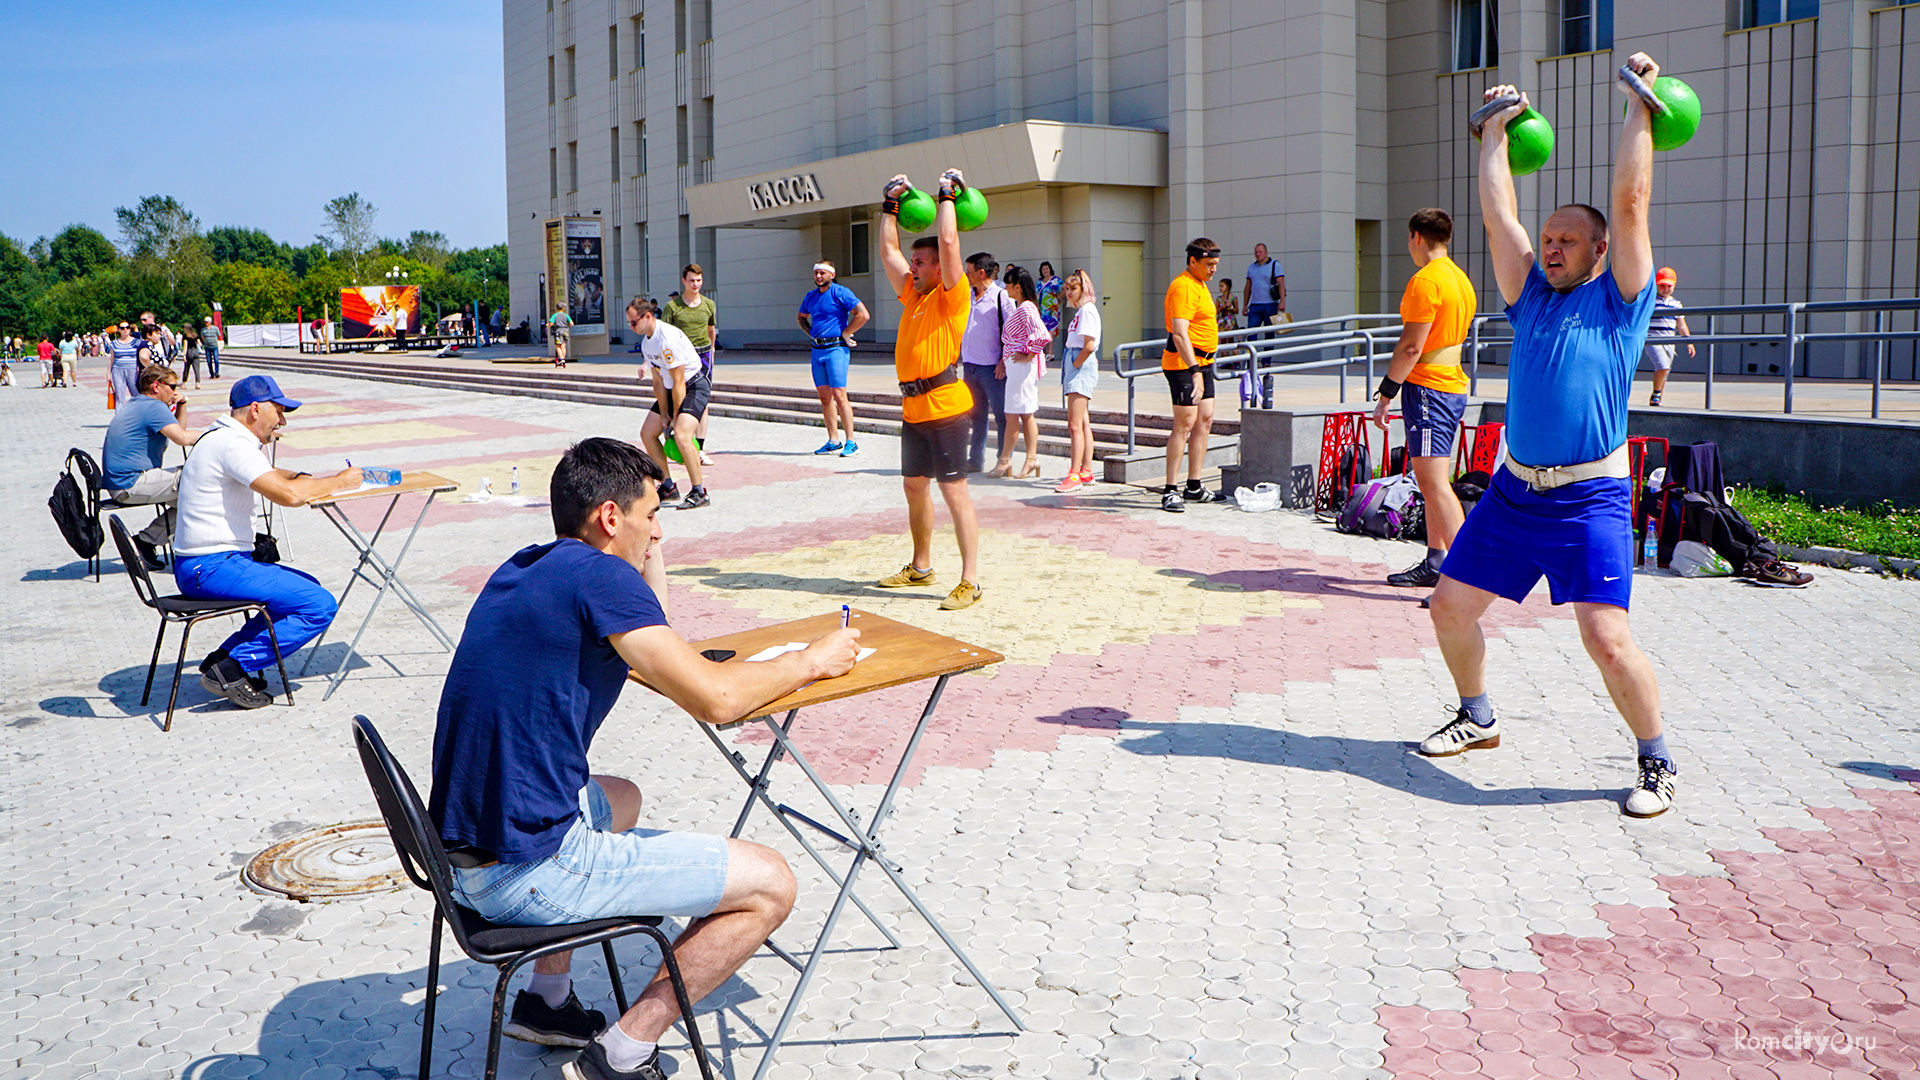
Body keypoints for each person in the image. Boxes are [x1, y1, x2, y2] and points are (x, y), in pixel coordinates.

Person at [428, 437, 858, 1080]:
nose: (658, 529)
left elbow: (651, 628)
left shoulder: (530, 565)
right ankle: (623, 1052)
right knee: (771, 882)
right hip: (530, 869)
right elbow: (715, 698)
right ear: (609, 516)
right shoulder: (599, 579)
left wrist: (647, 549)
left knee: (620, 796)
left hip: (459, 854)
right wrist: (811, 661)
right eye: (652, 514)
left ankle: (548, 1004)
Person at [1419, 56, 1681, 818]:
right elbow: (1501, 218)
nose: (1555, 245)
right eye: (1552, 236)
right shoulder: (1530, 299)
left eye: (1571, 238)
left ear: (1600, 254)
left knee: (1606, 639)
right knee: (1448, 608)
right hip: (1511, 494)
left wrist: (1642, 109)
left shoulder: (1622, 301)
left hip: (1590, 499)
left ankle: (1656, 759)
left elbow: (1630, 204)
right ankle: (1478, 716)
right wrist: (1491, 137)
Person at [172, 375, 359, 709]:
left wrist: (303, 478)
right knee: (318, 604)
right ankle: (232, 667)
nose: (283, 421)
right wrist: (340, 482)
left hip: (203, 563)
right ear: (256, 409)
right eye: (279, 411)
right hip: (212, 566)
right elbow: (288, 496)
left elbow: (268, 472)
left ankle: (225, 657)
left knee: (305, 588)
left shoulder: (219, 436)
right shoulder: (233, 444)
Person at [875, 168, 985, 611]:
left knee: (954, 491)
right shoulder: (914, 297)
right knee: (914, 487)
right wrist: (890, 205)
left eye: (920, 263)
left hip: (947, 408)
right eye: (914, 263)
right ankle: (921, 568)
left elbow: (951, 244)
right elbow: (887, 250)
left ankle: (970, 581)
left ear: (940, 268)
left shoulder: (950, 296)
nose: (912, 268)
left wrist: (944, 197)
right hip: (914, 409)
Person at [1372, 207, 1477, 591]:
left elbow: (1411, 347)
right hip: (1449, 385)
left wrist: (1386, 392)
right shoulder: (1459, 278)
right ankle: (1436, 561)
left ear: (1416, 236)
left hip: (1430, 388)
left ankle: (1469, 577)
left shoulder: (1426, 281)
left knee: (1433, 484)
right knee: (1433, 481)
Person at [102, 365, 202, 569]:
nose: (176, 392)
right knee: (200, 477)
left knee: (198, 499)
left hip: (122, 483)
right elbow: (182, 438)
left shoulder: (140, 403)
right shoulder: (153, 407)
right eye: (173, 386)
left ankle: (145, 543)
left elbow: (178, 430)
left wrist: (182, 404)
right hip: (131, 483)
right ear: (157, 386)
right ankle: (146, 541)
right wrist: (218, 434)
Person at [628, 299, 710, 509]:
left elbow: (680, 381)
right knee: (647, 433)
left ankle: (699, 492)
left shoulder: (668, 338)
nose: (631, 327)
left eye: (633, 322)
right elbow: (657, 381)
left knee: (682, 436)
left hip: (693, 386)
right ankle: (667, 486)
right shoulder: (647, 342)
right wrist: (664, 413)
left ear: (648, 316)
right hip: (671, 387)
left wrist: (675, 416)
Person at [1160, 239, 1224, 512]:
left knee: (1205, 419)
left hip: (1204, 362)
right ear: (1193, 261)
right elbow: (1179, 333)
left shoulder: (1200, 284)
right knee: (1184, 423)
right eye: (1209, 264)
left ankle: (1194, 485)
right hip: (1183, 363)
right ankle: (1170, 489)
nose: (1213, 270)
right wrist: (1194, 371)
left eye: (1215, 265)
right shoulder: (1183, 286)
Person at [796, 260, 870, 456]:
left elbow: (862, 314)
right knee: (824, 397)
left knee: (839, 395)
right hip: (817, 350)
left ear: (832, 274)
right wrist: (811, 333)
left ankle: (851, 442)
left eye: (822, 273)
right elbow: (801, 317)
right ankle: (833, 440)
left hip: (836, 349)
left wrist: (847, 332)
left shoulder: (841, 292)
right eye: (816, 273)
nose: (819, 276)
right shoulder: (811, 297)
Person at [992, 264, 1050, 479]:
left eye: (1008, 285)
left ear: (1017, 287)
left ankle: (1010, 459)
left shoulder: (1026, 308)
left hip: (1021, 367)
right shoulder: (1024, 307)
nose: (1006, 289)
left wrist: (1029, 354)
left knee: (1017, 414)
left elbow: (1042, 335)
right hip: (1018, 366)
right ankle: (1022, 459)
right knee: (1022, 414)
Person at [959, 252, 1014, 473]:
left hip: (992, 367)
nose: (966, 274)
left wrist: (1003, 360)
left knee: (1001, 416)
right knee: (976, 415)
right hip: (970, 364)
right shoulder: (967, 295)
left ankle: (1003, 460)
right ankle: (975, 460)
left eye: (969, 271)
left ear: (981, 272)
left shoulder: (1001, 297)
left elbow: (1012, 332)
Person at [661, 265, 718, 465]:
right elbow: (662, 334)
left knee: (703, 400)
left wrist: (711, 351)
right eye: (692, 280)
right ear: (683, 281)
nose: (696, 284)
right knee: (680, 397)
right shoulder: (673, 307)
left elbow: (711, 329)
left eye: (699, 280)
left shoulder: (709, 304)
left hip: (703, 356)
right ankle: (680, 442)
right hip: (680, 357)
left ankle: (699, 448)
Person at [1056, 269, 1102, 493]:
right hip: (1076, 362)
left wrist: (1075, 365)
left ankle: (1074, 473)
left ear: (1084, 289)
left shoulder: (1087, 311)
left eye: (1073, 288)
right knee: (1082, 423)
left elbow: (1089, 345)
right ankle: (1085, 470)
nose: (1069, 293)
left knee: (1074, 424)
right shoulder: (1081, 312)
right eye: (1067, 289)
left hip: (1079, 364)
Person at [1644, 267, 1693, 406]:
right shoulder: (1651, 301)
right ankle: (1656, 394)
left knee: (1664, 372)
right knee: (1662, 366)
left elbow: (1681, 325)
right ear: (1656, 285)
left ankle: (1658, 399)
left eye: (1669, 286)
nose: (1665, 289)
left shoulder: (1676, 304)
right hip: (1653, 339)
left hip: (1670, 341)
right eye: (1662, 286)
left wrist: (1689, 342)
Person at [1242, 243, 1286, 331]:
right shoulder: (1251, 267)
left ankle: (1269, 345)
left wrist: (1282, 301)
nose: (1258, 254)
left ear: (1266, 252)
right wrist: (1245, 305)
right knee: (1251, 331)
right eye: (1256, 252)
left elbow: (1281, 284)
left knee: (1269, 332)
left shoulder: (1275, 265)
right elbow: (1248, 287)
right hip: (1255, 304)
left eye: (1260, 252)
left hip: (1270, 304)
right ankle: (1252, 345)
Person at [108, 323, 143, 404]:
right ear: (119, 330)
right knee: (119, 396)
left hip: (133, 370)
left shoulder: (136, 342)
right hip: (118, 370)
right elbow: (111, 359)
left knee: (136, 394)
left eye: (127, 327)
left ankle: (138, 414)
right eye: (122, 328)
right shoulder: (114, 343)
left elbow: (140, 356)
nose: (125, 330)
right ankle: (119, 415)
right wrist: (108, 373)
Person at [1036, 261, 1064, 338]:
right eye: (1043, 269)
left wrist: (1059, 297)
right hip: (1041, 309)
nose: (1045, 271)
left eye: (1047, 268)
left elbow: (1065, 288)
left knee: (1050, 331)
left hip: (1051, 309)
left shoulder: (1055, 280)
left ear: (1050, 269)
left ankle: (1050, 350)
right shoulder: (1039, 282)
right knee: (1042, 331)